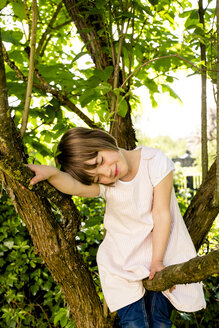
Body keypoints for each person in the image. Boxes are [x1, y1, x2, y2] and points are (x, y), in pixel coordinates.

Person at [27, 127, 206, 328]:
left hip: (162, 253)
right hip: (122, 261)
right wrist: (51, 174)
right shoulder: (107, 184)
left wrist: (157, 261)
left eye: (100, 161)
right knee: (133, 323)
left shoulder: (154, 161)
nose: (106, 172)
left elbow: (162, 214)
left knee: (159, 321)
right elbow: (74, 186)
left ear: (102, 140)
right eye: (96, 178)